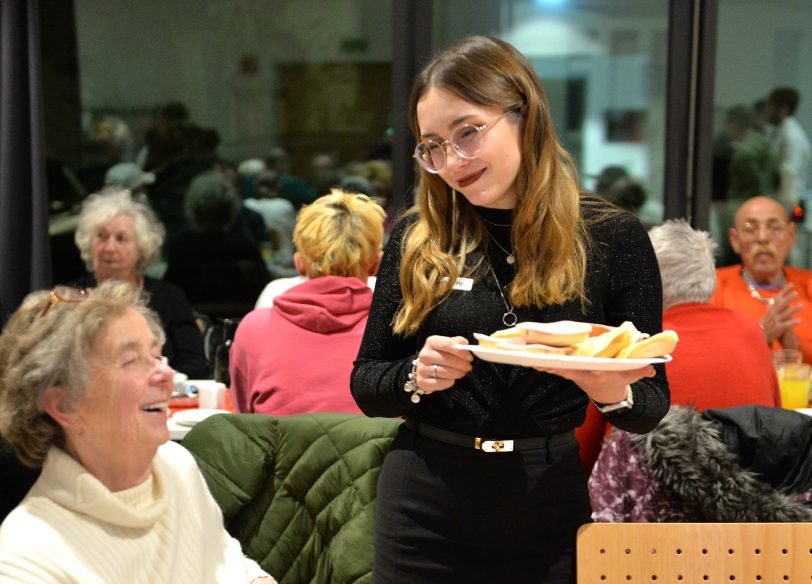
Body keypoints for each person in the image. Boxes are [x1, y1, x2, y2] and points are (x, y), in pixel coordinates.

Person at [349, 35, 669, 584]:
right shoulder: (416, 239)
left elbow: (651, 404)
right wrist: (416, 376)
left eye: (468, 132)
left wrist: (603, 385)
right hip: (425, 492)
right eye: (433, 146)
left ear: (524, 115)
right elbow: (366, 383)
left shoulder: (611, 237)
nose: (452, 161)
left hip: (544, 493)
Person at [0, 280, 276, 583]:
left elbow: (230, 568)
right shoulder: (25, 558)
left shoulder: (174, 466)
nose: (166, 374)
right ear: (64, 405)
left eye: (157, 356)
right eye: (132, 360)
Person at [577, 219, 780, 472]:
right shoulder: (752, 331)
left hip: (647, 507)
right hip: (749, 505)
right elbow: (777, 425)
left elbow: (580, 456)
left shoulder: (631, 345)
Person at [230, 189, 385, 415]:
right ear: (375, 265)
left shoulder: (253, 329)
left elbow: (246, 418)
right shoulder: (396, 330)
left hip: (282, 451)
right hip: (377, 452)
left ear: (299, 263)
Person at [72, 188, 209, 378]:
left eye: (121, 238)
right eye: (102, 237)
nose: (110, 247)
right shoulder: (70, 297)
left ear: (142, 248)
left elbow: (195, 364)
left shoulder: (169, 297)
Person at [711, 195, 812, 362]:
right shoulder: (713, 286)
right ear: (735, 240)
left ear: (791, 235)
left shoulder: (808, 284)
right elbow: (706, 356)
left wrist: (795, 348)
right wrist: (761, 335)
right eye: (751, 229)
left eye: (774, 228)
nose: (763, 238)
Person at [163, 171, 271, 312]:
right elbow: (263, 287)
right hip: (238, 319)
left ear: (192, 208)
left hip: (194, 318)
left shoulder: (182, 245)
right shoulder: (244, 245)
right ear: (231, 208)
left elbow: (171, 291)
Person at [765, 87, 811, 209]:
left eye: (770, 106)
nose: (767, 111)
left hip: (788, 204)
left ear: (783, 109)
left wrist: (779, 208)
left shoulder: (791, 136)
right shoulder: (781, 132)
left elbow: (790, 173)